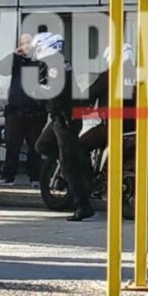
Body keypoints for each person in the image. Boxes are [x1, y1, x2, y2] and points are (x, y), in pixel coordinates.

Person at [30, 32, 94, 222]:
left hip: (65, 120)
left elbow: (53, 91)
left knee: (68, 166)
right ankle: (73, 160)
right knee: (42, 145)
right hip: (58, 118)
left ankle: (84, 206)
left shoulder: (55, 65)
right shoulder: (53, 63)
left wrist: (36, 89)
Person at [0, 34, 46, 187]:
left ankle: (35, 178)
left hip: (35, 111)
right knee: (12, 145)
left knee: (35, 147)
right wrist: (14, 54)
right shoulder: (16, 60)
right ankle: (8, 177)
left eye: (28, 42)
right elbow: (1, 69)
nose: (26, 46)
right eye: (23, 43)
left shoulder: (41, 61)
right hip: (15, 112)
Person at [79, 43, 137, 156]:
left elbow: (90, 93)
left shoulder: (109, 75)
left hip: (112, 126)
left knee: (80, 145)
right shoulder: (137, 75)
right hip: (134, 127)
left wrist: (79, 104)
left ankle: (87, 169)